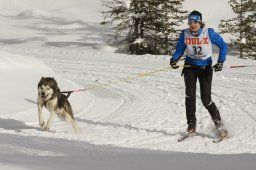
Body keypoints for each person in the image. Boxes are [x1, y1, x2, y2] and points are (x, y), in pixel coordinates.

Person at [170, 10, 228, 135]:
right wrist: (174, 59)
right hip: (190, 67)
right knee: (189, 96)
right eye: (190, 22)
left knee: (206, 99)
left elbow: (224, 46)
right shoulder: (185, 33)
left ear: (200, 21)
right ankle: (191, 126)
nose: (193, 24)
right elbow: (180, 49)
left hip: (205, 68)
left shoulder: (208, 33)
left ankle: (220, 126)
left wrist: (220, 61)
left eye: (195, 21)